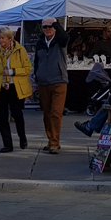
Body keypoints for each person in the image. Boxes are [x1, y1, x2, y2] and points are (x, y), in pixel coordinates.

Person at [0, 27, 31, 153]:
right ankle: (7, 144)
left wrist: (13, 71)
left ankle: (22, 138)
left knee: (17, 114)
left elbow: (27, 69)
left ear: (10, 38)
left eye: (3, 38)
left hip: (15, 86)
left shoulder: (20, 50)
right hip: (1, 86)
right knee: (2, 116)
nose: (1, 41)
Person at [33, 18, 69, 154]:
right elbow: (37, 61)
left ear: (55, 27)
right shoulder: (40, 43)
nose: (48, 29)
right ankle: (51, 140)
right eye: (45, 27)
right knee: (46, 113)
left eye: (51, 27)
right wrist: (37, 76)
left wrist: (56, 24)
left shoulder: (60, 41)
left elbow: (65, 36)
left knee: (56, 113)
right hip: (43, 82)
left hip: (59, 81)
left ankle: (55, 142)